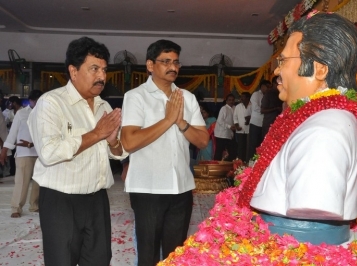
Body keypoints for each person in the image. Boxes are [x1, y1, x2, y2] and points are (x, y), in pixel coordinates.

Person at [250, 12, 357, 245]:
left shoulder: (323, 131)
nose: (275, 72)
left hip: (296, 250)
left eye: (282, 61)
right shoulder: (316, 118)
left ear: (319, 69)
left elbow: (313, 207)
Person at [27, 37, 127, 266]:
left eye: (104, 69)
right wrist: (97, 133)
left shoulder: (104, 106)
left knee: (100, 260)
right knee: (62, 261)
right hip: (61, 201)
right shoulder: (51, 103)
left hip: (97, 200)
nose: (102, 76)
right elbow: (49, 152)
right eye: (94, 69)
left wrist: (112, 142)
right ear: (73, 71)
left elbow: (118, 153)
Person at [120, 39, 209, 266]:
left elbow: (202, 140)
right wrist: (168, 120)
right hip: (147, 188)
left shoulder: (186, 98)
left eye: (176, 62)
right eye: (166, 61)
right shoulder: (136, 96)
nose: (173, 67)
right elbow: (129, 142)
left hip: (181, 188)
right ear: (150, 65)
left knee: (175, 256)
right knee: (148, 254)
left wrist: (181, 124)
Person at [0, 90, 42, 217]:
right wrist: (4, 151)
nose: (36, 103)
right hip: (24, 153)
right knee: (21, 182)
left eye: (39, 101)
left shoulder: (46, 114)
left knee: (38, 182)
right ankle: (16, 208)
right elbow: (12, 133)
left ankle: (35, 206)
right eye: (34, 100)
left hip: (41, 153)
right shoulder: (21, 113)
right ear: (30, 101)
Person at [246, 80, 270, 161]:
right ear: (262, 86)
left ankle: (258, 163)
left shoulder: (268, 95)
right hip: (255, 123)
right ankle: (250, 163)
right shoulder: (256, 94)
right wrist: (265, 111)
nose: (269, 88)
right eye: (267, 86)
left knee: (261, 144)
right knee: (253, 145)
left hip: (263, 124)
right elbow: (255, 108)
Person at [213, 93, 237, 161]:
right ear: (226, 101)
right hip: (221, 134)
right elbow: (220, 121)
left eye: (232, 100)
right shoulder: (224, 108)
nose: (231, 101)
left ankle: (228, 167)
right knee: (219, 151)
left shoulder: (235, 108)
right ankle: (216, 167)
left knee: (232, 151)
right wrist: (229, 126)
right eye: (229, 100)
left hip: (229, 134)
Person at [3, 96, 22, 176]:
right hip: (11, 135)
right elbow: (5, 122)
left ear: (14, 102)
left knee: (19, 154)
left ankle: (19, 171)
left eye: (11, 103)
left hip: (20, 137)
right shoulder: (9, 112)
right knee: (12, 154)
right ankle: (12, 171)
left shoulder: (23, 111)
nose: (9, 104)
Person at [233, 92, 251, 161]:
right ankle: (240, 163)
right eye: (241, 97)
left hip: (249, 130)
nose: (241, 98)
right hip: (240, 130)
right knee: (240, 148)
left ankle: (247, 162)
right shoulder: (238, 106)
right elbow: (235, 118)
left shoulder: (251, 106)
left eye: (243, 97)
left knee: (248, 148)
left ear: (248, 98)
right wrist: (237, 126)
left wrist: (249, 120)